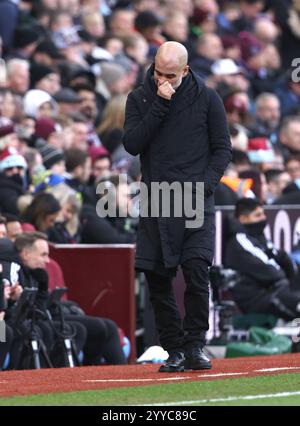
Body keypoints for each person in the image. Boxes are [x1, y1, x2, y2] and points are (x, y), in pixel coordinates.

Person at [122, 41, 232, 372]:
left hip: (196, 198)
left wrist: (206, 186)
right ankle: (174, 349)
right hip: (157, 198)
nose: (162, 80)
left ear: (185, 70)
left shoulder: (208, 98)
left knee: (197, 271)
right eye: (157, 73)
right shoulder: (139, 97)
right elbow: (132, 144)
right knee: (157, 278)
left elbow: (223, 149)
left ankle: (196, 344)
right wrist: (159, 103)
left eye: (170, 75)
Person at [225, 198, 300, 320]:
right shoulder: (239, 241)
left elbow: (284, 259)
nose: (263, 218)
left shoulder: (259, 238)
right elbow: (272, 272)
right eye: (257, 215)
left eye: (263, 214)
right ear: (243, 218)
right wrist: (288, 278)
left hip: (277, 292)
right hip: (259, 299)